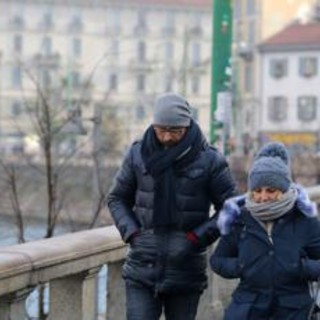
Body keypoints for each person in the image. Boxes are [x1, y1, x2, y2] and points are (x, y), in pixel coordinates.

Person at [107, 92, 237, 320]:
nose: (166, 137)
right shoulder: (137, 154)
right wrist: (134, 234)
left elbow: (232, 208)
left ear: (187, 126)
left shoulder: (210, 160)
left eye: (174, 131)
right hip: (141, 267)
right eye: (161, 130)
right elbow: (117, 198)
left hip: (186, 268)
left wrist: (196, 239)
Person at [210, 141, 320, 320]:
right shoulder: (240, 219)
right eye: (257, 190)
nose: (263, 197)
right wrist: (241, 267)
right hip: (249, 309)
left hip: (294, 310)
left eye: (271, 190)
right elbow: (217, 260)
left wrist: (302, 268)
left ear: (284, 189)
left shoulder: (304, 220)